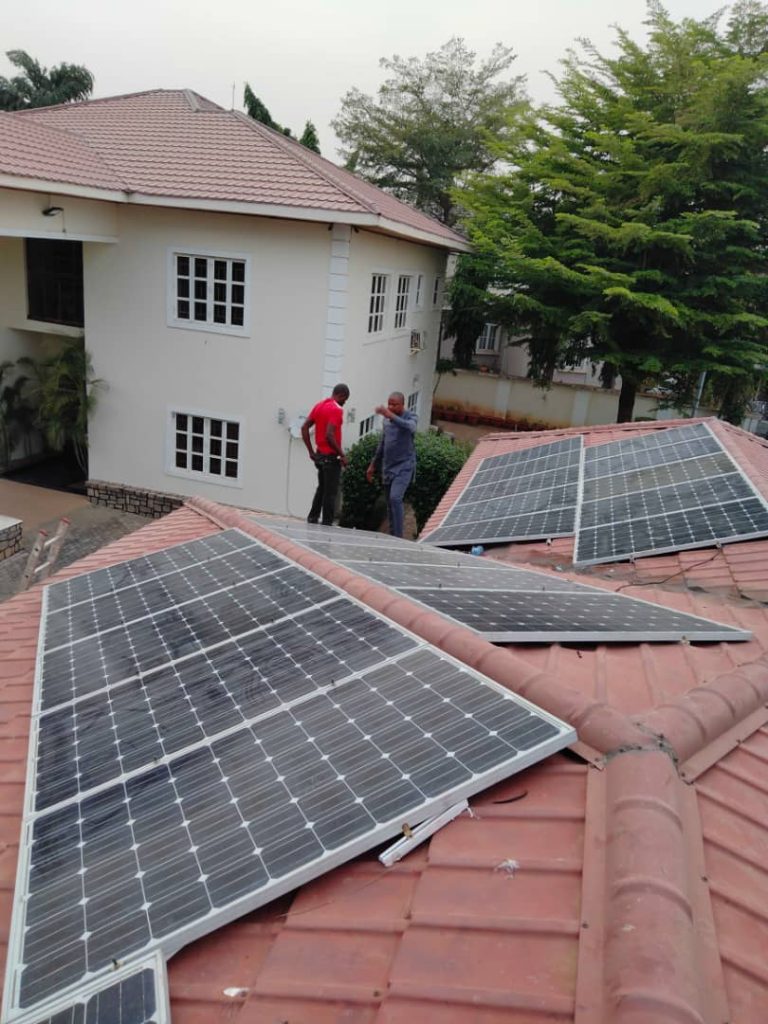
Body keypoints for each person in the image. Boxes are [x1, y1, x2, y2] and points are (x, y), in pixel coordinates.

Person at [366, 392, 417, 537]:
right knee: (390, 503)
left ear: (402, 404)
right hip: (388, 467)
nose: (390, 407)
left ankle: (398, 537)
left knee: (395, 498)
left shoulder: (410, 417)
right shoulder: (386, 421)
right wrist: (372, 465)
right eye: (389, 404)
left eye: (394, 404)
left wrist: (390, 415)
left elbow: (411, 428)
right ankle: (393, 535)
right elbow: (383, 444)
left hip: (404, 466)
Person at [301, 383, 350, 525]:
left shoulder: (320, 405)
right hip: (331, 458)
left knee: (322, 488)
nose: (344, 403)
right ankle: (327, 525)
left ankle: (312, 518)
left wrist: (311, 451)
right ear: (340, 395)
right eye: (345, 399)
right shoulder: (336, 410)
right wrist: (342, 455)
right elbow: (329, 435)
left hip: (319, 456)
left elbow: (304, 427)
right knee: (330, 493)